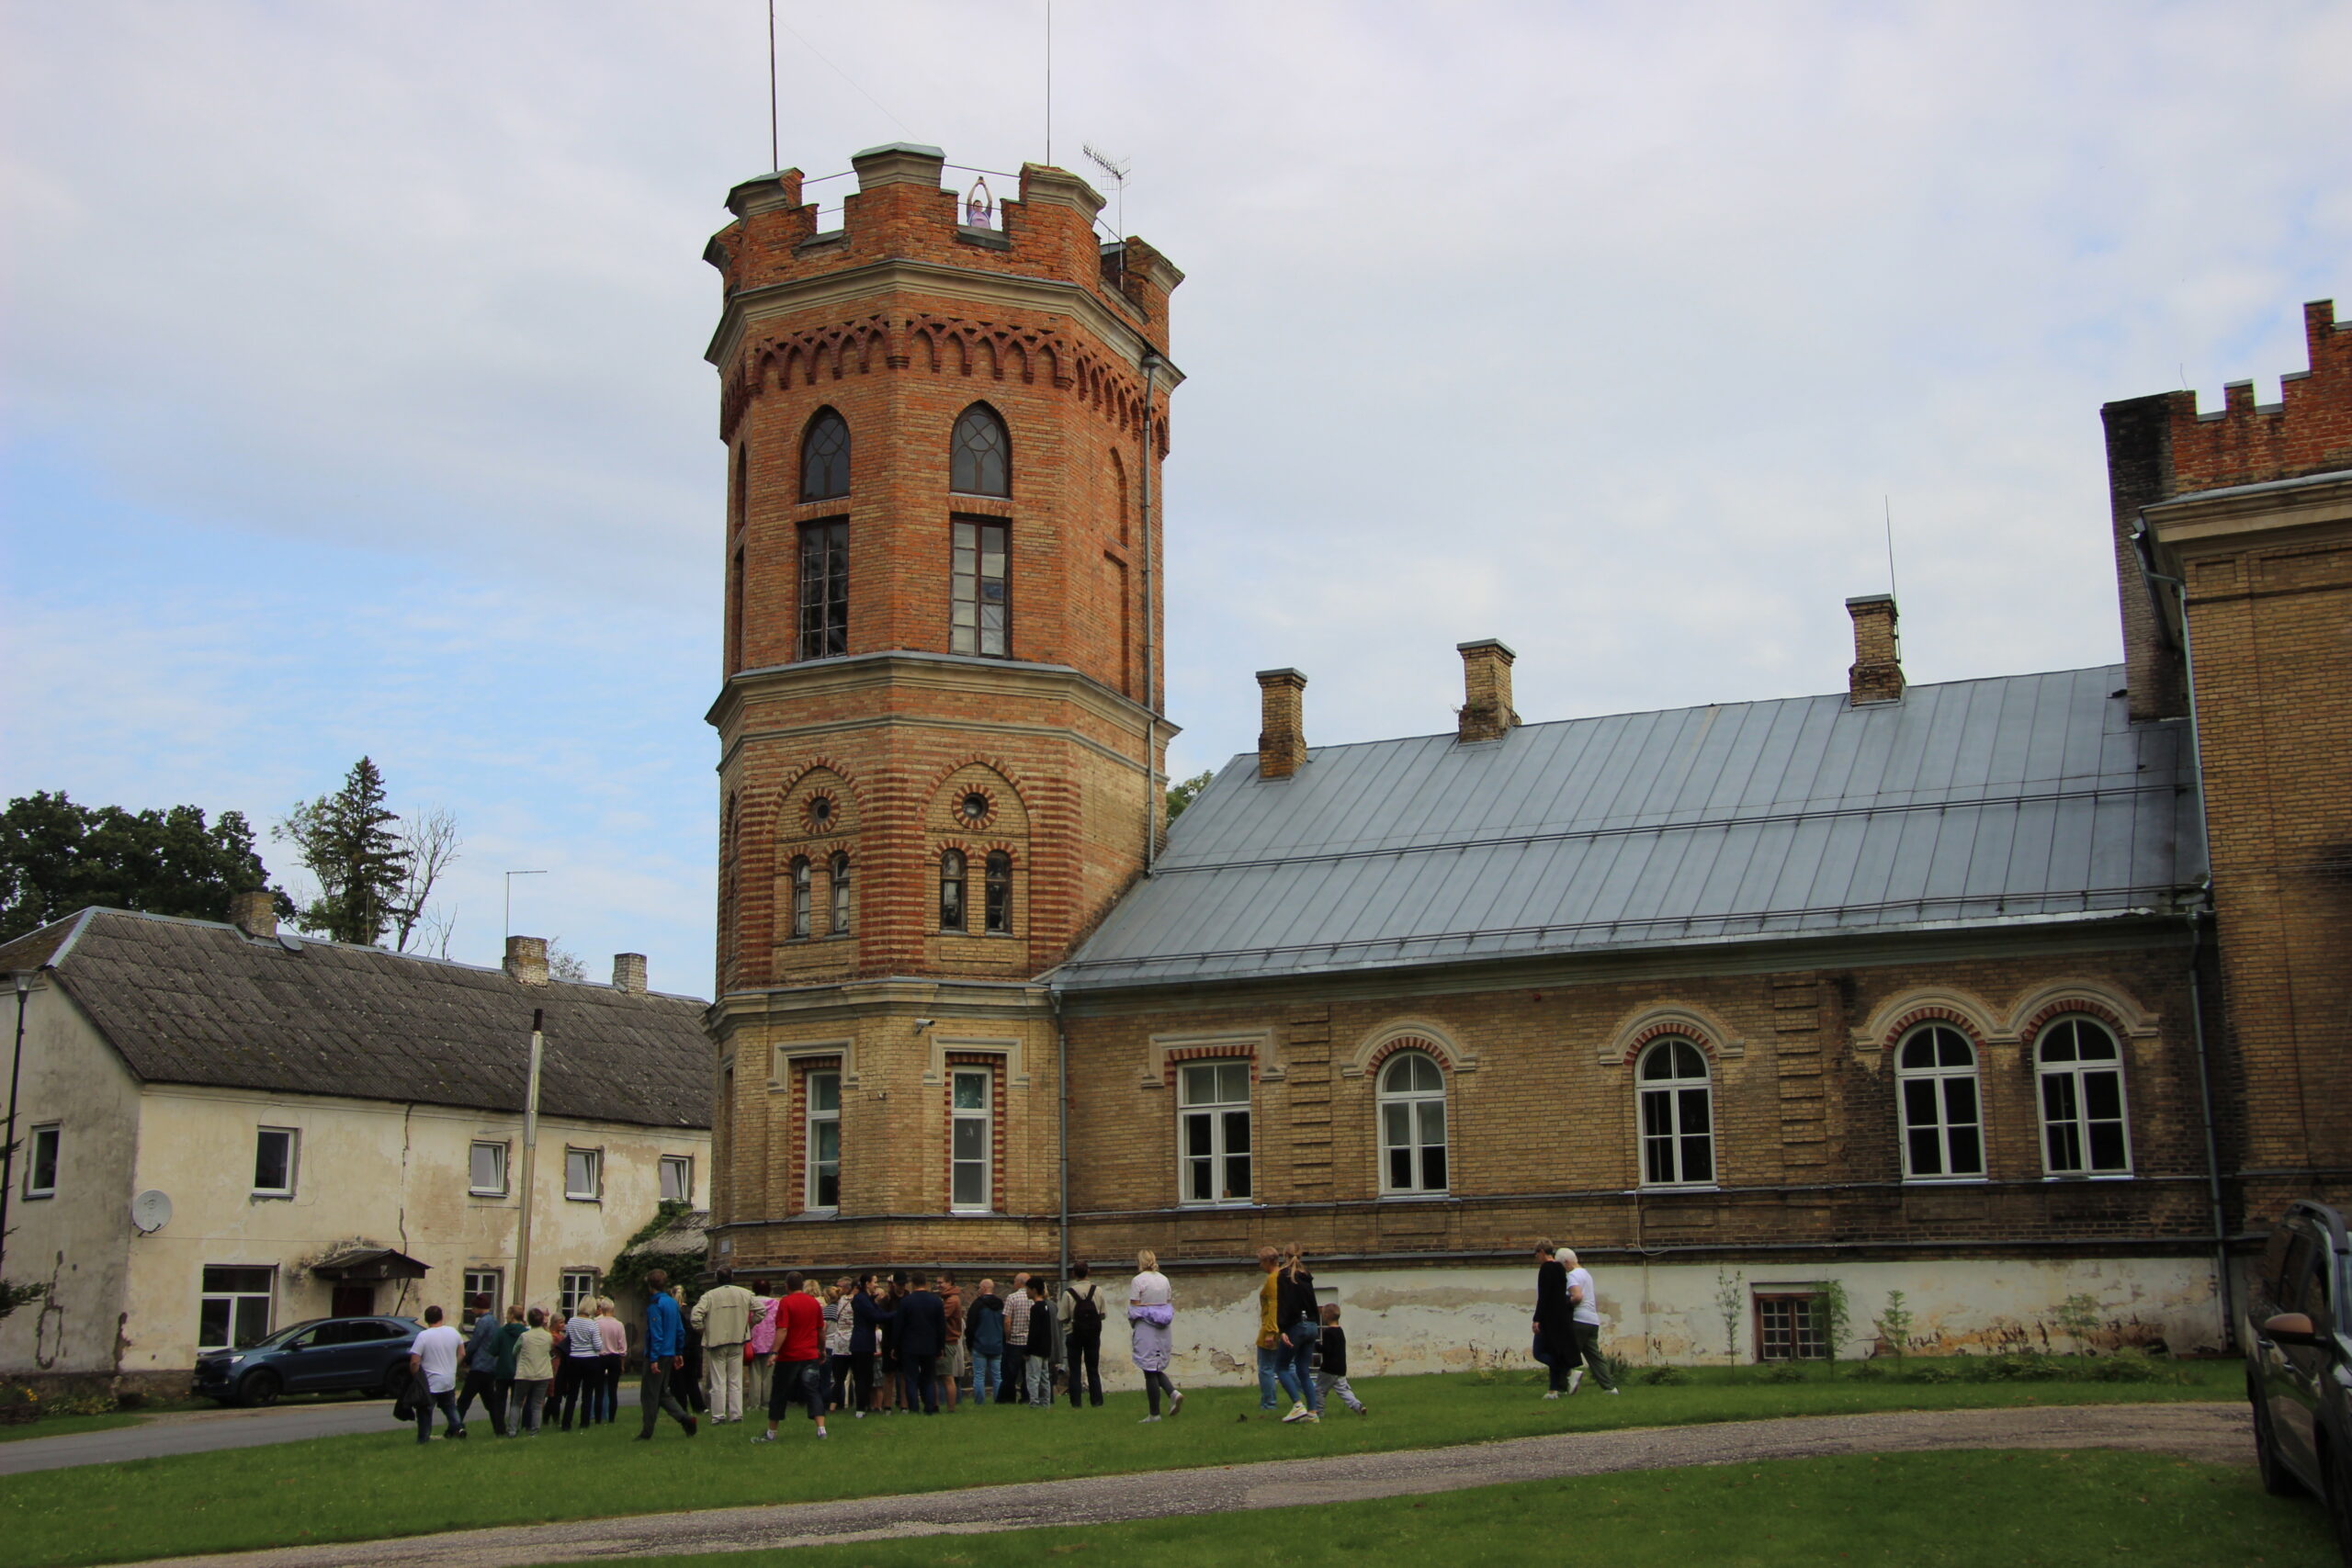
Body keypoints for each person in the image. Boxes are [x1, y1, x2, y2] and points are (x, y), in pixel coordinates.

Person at [753, 1271, 830, 1442]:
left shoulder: (786, 1302)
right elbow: (820, 1330)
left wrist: (774, 1352)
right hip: (810, 1354)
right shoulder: (813, 1303)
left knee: (779, 1393)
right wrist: (822, 1350)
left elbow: (782, 1329)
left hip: (789, 1356)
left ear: (787, 1285)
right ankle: (821, 1429)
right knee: (813, 1391)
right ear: (802, 1285)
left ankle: (772, 1433)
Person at [636, 1270, 698, 1439]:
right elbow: (679, 1330)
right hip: (670, 1352)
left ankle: (647, 1431)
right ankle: (685, 1419)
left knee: (649, 1393)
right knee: (662, 1392)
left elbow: (656, 1334)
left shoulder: (655, 1305)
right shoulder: (672, 1303)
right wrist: (678, 1352)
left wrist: (653, 1358)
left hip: (658, 1353)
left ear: (650, 1286)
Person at [693, 1269, 757, 1424]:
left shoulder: (709, 1296)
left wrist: (705, 1331)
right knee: (735, 1379)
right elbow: (761, 1311)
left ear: (716, 1278)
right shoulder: (745, 1293)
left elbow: (695, 1316)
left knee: (718, 1380)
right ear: (732, 1277)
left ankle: (718, 1415)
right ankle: (736, 1414)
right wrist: (748, 1325)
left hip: (716, 1342)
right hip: (737, 1340)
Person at [1127, 1249, 1182, 1422]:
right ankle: (1172, 1392)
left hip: (1146, 1328)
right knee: (1156, 1366)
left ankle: (1154, 1413)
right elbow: (1167, 1302)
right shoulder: (1164, 1279)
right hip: (1163, 1328)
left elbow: (1135, 1306)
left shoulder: (1138, 1281)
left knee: (1149, 1369)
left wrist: (1143, 1310)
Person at [1558, 1247, 1621, 1396]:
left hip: (1579, 1320)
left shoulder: (1572, 1276)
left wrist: (1565, 1303)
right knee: (1594, 1356)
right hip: (1592, 1321)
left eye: (1561, 1265)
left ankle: (1565, 1383)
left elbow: (1578, 1296)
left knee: (1564, 1354)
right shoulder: (1586, 1274)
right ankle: (1610, 1388)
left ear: (1566, 1263)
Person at [1274, 1244, 1323, 1424]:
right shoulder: (1306, 1276)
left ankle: (1297, 1405)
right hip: (1311, 1326)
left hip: (1295, 1326)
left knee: (1281, 1367)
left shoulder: (1284, 1275)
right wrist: (1315, 1325)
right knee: (1304, 1371)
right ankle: (1313, 1413)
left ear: (1284, 1255)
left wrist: (1283, 1329)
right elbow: (1313, 1303)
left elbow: (1285, 1304)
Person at [408, 1303, 466, 1443]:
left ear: (426, 1319)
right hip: (449, 1379)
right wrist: (453, 1366)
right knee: (450, 1407)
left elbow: (415, 1361)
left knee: (425, 1411)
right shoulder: (453, 1332)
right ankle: (458, 1427)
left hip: (430, 1381)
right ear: (442, 1317)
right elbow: (462, 1353)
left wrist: (415, 1375)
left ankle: (423, 1438)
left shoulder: (423, 1336)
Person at [455, 1293, 510, 1437]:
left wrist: (467, 1357)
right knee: (490, 1401)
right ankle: (500, 1429)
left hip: (479, 1365)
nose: (472, 1310)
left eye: (473, 1307)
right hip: (491, 1365)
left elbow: (475, 1342)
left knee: (464, 1400)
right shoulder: (495, 1321)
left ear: (479, 1308)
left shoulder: (482, 1322)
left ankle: (454, 1427)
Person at [895, 1271, 948, 1415]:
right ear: (926, 1283)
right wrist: (940, 1347)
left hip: (910, 1345)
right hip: (929, 1345)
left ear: (913, 1284)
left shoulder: (906, 1301)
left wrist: (896, 1346)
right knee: (929, 1378)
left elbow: (899, 1326)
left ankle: (913, 1407)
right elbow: (941, 1327)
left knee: (911, 1378)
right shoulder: (936, 1301)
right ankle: (929, 1407)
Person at [1058, 1262, 1106, 1407]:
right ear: (1089, 1272)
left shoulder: (1068, 1293)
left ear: (1073, 1274)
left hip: (1074, 1334)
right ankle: (1097, 1402)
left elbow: (1061, 1317)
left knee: (1075, 1370)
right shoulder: (1098, 1291)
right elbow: (1102, 1315)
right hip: (1093, 1335)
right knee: (1093, 1369)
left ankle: (1076, 1403)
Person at [1532, 1240, 1575, 1400]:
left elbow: (1543, 1296)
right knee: (1552, 1351)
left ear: (1542, 1251)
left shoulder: (1546, 1269)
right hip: (1560, 1317)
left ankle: (1566, 1368)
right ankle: (1553, 1389)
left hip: (1548, 1318)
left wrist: (1537, 1319)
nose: (1536, 1256)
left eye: (1536, 1253)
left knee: (1539, 1352)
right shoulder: (1559, 1268)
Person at [848, 1272, 892, 1417]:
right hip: (861, 1343)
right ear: (867, 1284)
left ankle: (864, 1406)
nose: (876, 1285)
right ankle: (860, 1408)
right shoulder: (862, 1299)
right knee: (863, 1376)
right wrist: (897, 1314)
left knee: (867, 1377)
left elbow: (879, 1313)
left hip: (865, 1342)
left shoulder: (867, 1299)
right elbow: (876, 1316)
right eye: (875, 1282)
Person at [1315, 1302, 1367, 1416]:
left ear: (1326, 1316)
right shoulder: (1340, 1331)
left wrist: (1316, 1346)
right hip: (1340, 1368)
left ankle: (1318, 1412)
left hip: (1328, 1369)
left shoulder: (1328, 1332)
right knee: (1343, 1390)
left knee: (1319, 1390)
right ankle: (1357, 1405)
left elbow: (1327, 1351)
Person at [560, 1298, 605, 1428]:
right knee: (587, 1393)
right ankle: (584, 1422)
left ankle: (566, 1422)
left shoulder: (572, 1321)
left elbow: (568, 1338)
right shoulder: (593, 1324)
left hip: (574, 1358)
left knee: (572, 1393)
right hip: (590, 1359)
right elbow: (598, 1346)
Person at [512, 1307, 556, 1434]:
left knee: (517, 1402)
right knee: (537, 1404)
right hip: (543, 1373)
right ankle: (535, 1430)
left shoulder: (524, 1336)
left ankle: (513, 1430)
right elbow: (549, 1350)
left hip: (525, 1373)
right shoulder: (548, 1336)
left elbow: (514, 1351)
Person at [1252, 1247, 1283, 1413]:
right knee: (1288, 1367)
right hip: (1281, 1327)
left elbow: (1273, 1305)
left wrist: (1271, 1332)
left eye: (1260, 1262)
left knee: (1266, 1368)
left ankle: (1269, 1403)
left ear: (1267, 1261)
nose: (1260, 1266)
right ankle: (1314, 1392)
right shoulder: (1282, 1275)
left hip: (1270, 1328)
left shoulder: (1273, 1279)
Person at [490, 1304, 529, 1435]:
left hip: (502, 1370)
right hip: (519, 1370)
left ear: (512, 1316)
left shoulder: (501, 1332)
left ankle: (499, 1428)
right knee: (516, 1402)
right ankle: (514, 1426)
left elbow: (493, 1350)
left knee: (500, 1402)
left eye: (507, 1314)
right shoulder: (525, 1332)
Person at [967, 1278, 1005, 1405]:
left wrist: (970, 1344)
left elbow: (970, 1326)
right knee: (997, 1376)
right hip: (997, 1345)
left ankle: (979, 1402)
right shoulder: (1000, 1304)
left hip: (980, 1345)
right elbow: (1005, 1324)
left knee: (979, 1376)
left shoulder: (977, 1304)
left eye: (979, 1287)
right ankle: (999, 1400)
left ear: (983, 1288)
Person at [997, 1271, 1032, 1404]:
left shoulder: (1012, 1298)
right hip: (1028, 1342)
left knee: (1010, 1373)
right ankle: (1026, 1397)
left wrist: (1007, 1337)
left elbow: (1007, 1321)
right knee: (1027, 1373)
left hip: (1014, 1342)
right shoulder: (1033, 1298)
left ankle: (1008, 1398)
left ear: (1019, 1283)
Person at [673, 1285, 709, 1414]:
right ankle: (699, 1406)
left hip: (681, 1349)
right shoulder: (692, 1310)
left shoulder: (675, 1312)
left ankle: (681, 1407)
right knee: (692, 1380)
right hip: (693, 1349)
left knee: (679, 1381)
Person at [745, 1278, 776, 1419]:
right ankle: (766, 1404)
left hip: (754, 1342)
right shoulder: (776, 1304)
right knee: (768, 1377)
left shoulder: (751, 1304)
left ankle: (754, 1405)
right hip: (771, 1342)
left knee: (755, 1376)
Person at [1022, 1278, 1056, 1405]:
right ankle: (1046, 1402)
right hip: (1045, 1348)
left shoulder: (1035, 1308)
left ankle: (1034, 1402)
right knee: (1044, 1377)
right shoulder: (1046, 1306)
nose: (1026, 1292)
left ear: (1034, 1290)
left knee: (1033, 1377)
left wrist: (1027, 1350)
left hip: (1035, 1349)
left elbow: (1034, 1331)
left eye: (1028, 1289)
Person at [824, 1278, 855, 1410]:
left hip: (838, 1344)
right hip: (853, 1342)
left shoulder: (838, 1304)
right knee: (853, 1378)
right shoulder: (855, 1301)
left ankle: (833, 1405)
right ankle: (853, 1404)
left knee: (839, 1378)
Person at [596, 1297, 628, 1425]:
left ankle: (598, 1418)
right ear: (613, 1309)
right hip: (614, 1357)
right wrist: (622, 1364)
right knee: (612, 1390)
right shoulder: (619, 1324)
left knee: (599, 1390)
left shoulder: (596, 1323)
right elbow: (623, 1347)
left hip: (600, 1357)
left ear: (602, 1309)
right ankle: (611, 1418)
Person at [936, 1272, 965, 1412]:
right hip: (948, 1341)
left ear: (950, 1283)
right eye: (938, 1283)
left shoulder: (952, 1300)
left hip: (948, 1341)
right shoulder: (948, 1299)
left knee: (947, 1376)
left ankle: (951, 1408)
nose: (938, 1285)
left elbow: (940, 1317)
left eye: (941, 1282)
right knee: (943, 1375)